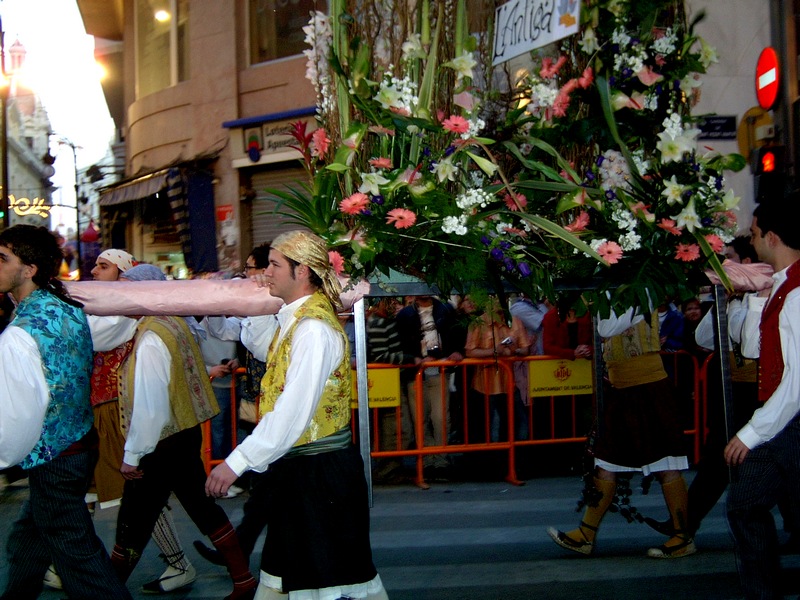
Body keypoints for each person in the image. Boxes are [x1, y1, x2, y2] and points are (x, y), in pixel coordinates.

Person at [205, 230, 387, 600]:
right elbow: (259, 345)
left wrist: (236, 462)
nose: (265, 273)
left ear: (302, 271)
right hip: (302, 471)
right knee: (295, 577)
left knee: (324, 583)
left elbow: (292, 412)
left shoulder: (314, 328)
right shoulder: (296, 320)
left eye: (274, 265)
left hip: (322, 475)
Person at [106, 264, 256, 600]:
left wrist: (132, 455)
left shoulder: (151, 335)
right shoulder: (174, 324)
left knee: (132, 522)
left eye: (126, 288)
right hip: (183, 435)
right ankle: (244, 581)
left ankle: (105, 591)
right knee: (201, 508)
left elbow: (150, 406)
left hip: (160, 443)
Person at [0, 225, 133, 600]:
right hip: (75, 444)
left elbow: (21, 416)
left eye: (2, 258)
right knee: (28, 541)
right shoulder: (65, 307)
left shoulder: (21, 333)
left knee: (82, 564)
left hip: (56, 457)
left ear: (29, 269)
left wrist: (5, 455)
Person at [80, 248, 198, 594]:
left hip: (116, 410)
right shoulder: (119, 311)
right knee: (90, 494)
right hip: (101, 409)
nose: (95, 271)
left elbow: (93, 336)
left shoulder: (127, 314)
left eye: (105, 266)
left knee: (136, 496)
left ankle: (175, 562)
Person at [547, 296, 695, 559]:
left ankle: (683, 537)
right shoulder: (615, 292)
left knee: (666, 465)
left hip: (649, 387)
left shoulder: (643, 290)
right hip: (622, 388)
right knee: (606, 462)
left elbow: (606, 328)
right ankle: (586, 534)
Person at [724, 197, 800, 599]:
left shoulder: (799, 290)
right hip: (779, 422)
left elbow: (797, 382)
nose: (751, 243)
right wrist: (756, 292)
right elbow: (751, 348)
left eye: (754, 235)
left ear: (772, 236)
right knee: (743, 506)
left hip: (788, 421)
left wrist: (751, 433)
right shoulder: (781, 284)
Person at [396, 294, 464, 469]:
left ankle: (440, 458)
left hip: (440, 369)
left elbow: (458, 334)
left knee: (440, 417)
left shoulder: (447, 310)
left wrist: (456, 351)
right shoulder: (404, 315)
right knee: (420, 418)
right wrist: (415, 359)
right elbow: (399, 345)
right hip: (416, 372)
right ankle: (426, 458)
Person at [464, 296, 533, 442]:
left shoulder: (514, 320)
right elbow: (469, 351)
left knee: (513, 422)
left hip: (509, 383)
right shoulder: (477, 323)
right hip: (484, 385)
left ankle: (509, 457)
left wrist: (513, 350)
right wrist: (494, 352)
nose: (498, 302)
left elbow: (525, 349)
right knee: (486, 425)